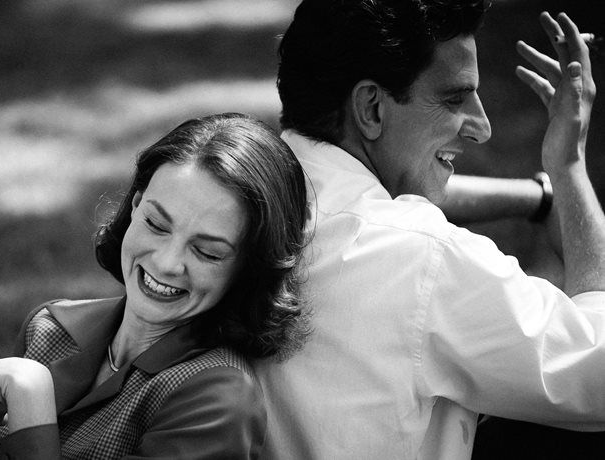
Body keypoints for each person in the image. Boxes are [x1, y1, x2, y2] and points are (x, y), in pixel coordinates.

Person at [253, 1, 605, 459]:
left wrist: (536, 198)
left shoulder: (239, 197)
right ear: (371, 108)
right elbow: (595, 374)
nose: (482, 128)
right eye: (454, 99)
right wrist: (569, 167)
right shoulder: (424, 258)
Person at [0, 113, 310, 459]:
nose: (166, 263)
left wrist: (32, 397)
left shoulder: (218, 400)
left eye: (207, 252)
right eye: (156, 224)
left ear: (249, 268)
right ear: (135, 206)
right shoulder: (47, 327)